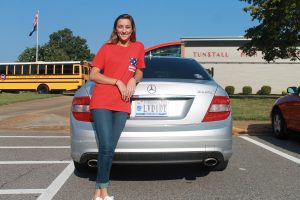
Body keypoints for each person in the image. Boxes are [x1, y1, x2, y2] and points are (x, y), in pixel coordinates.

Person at [89, 14, 145, 200]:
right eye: (120, 26)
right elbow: (93, 74)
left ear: (132, 29)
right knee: (105, 146)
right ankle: (103, 191)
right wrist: (117, 82)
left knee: (110, 147)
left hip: (122, 103)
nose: (124, 30)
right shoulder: (106, 48)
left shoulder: (138, 47)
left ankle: (98, 193)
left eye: (127, 27)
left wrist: (132, 80)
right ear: (116, 29)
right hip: (102, 100)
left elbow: (139, 71)